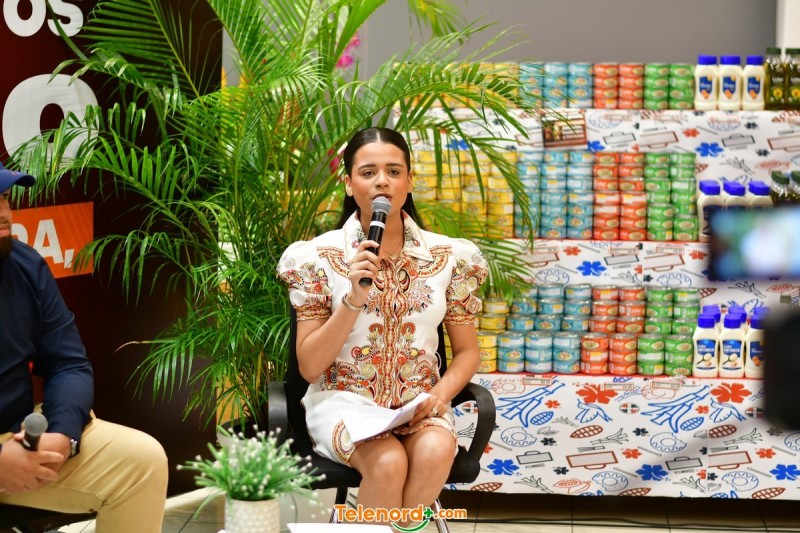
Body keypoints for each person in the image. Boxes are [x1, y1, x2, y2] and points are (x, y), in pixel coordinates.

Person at [277, 127, 486, 527]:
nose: (382, 182)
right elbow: (310, 367)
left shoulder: (450, 257)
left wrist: (439, 396)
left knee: (435, 450)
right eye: (368, 172)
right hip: (344, 402)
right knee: (387, 461)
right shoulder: (317, 258)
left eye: (393, 171)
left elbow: (468, 352)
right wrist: (353, 297)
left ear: (409, 181)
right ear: (348, 184)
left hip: (419, 401)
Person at [0, 164, 168, 532]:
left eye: (5, 197)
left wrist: (63, 436)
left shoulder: (24, 265)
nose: (3, 212)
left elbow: (68, 364)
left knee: (142, 462)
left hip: (15, 437)